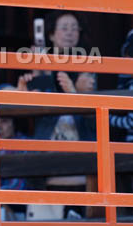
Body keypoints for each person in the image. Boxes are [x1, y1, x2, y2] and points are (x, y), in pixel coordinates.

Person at [16, 12, 96, 142]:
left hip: (82, 140)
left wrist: (77, 93)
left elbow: (94, 119)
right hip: (47, 139)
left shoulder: (87, 64)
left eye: (74, 28)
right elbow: (33, 111)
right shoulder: (40, 62)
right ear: (51, 34)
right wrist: (37, 72)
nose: (70, 33)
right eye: (64, 28)